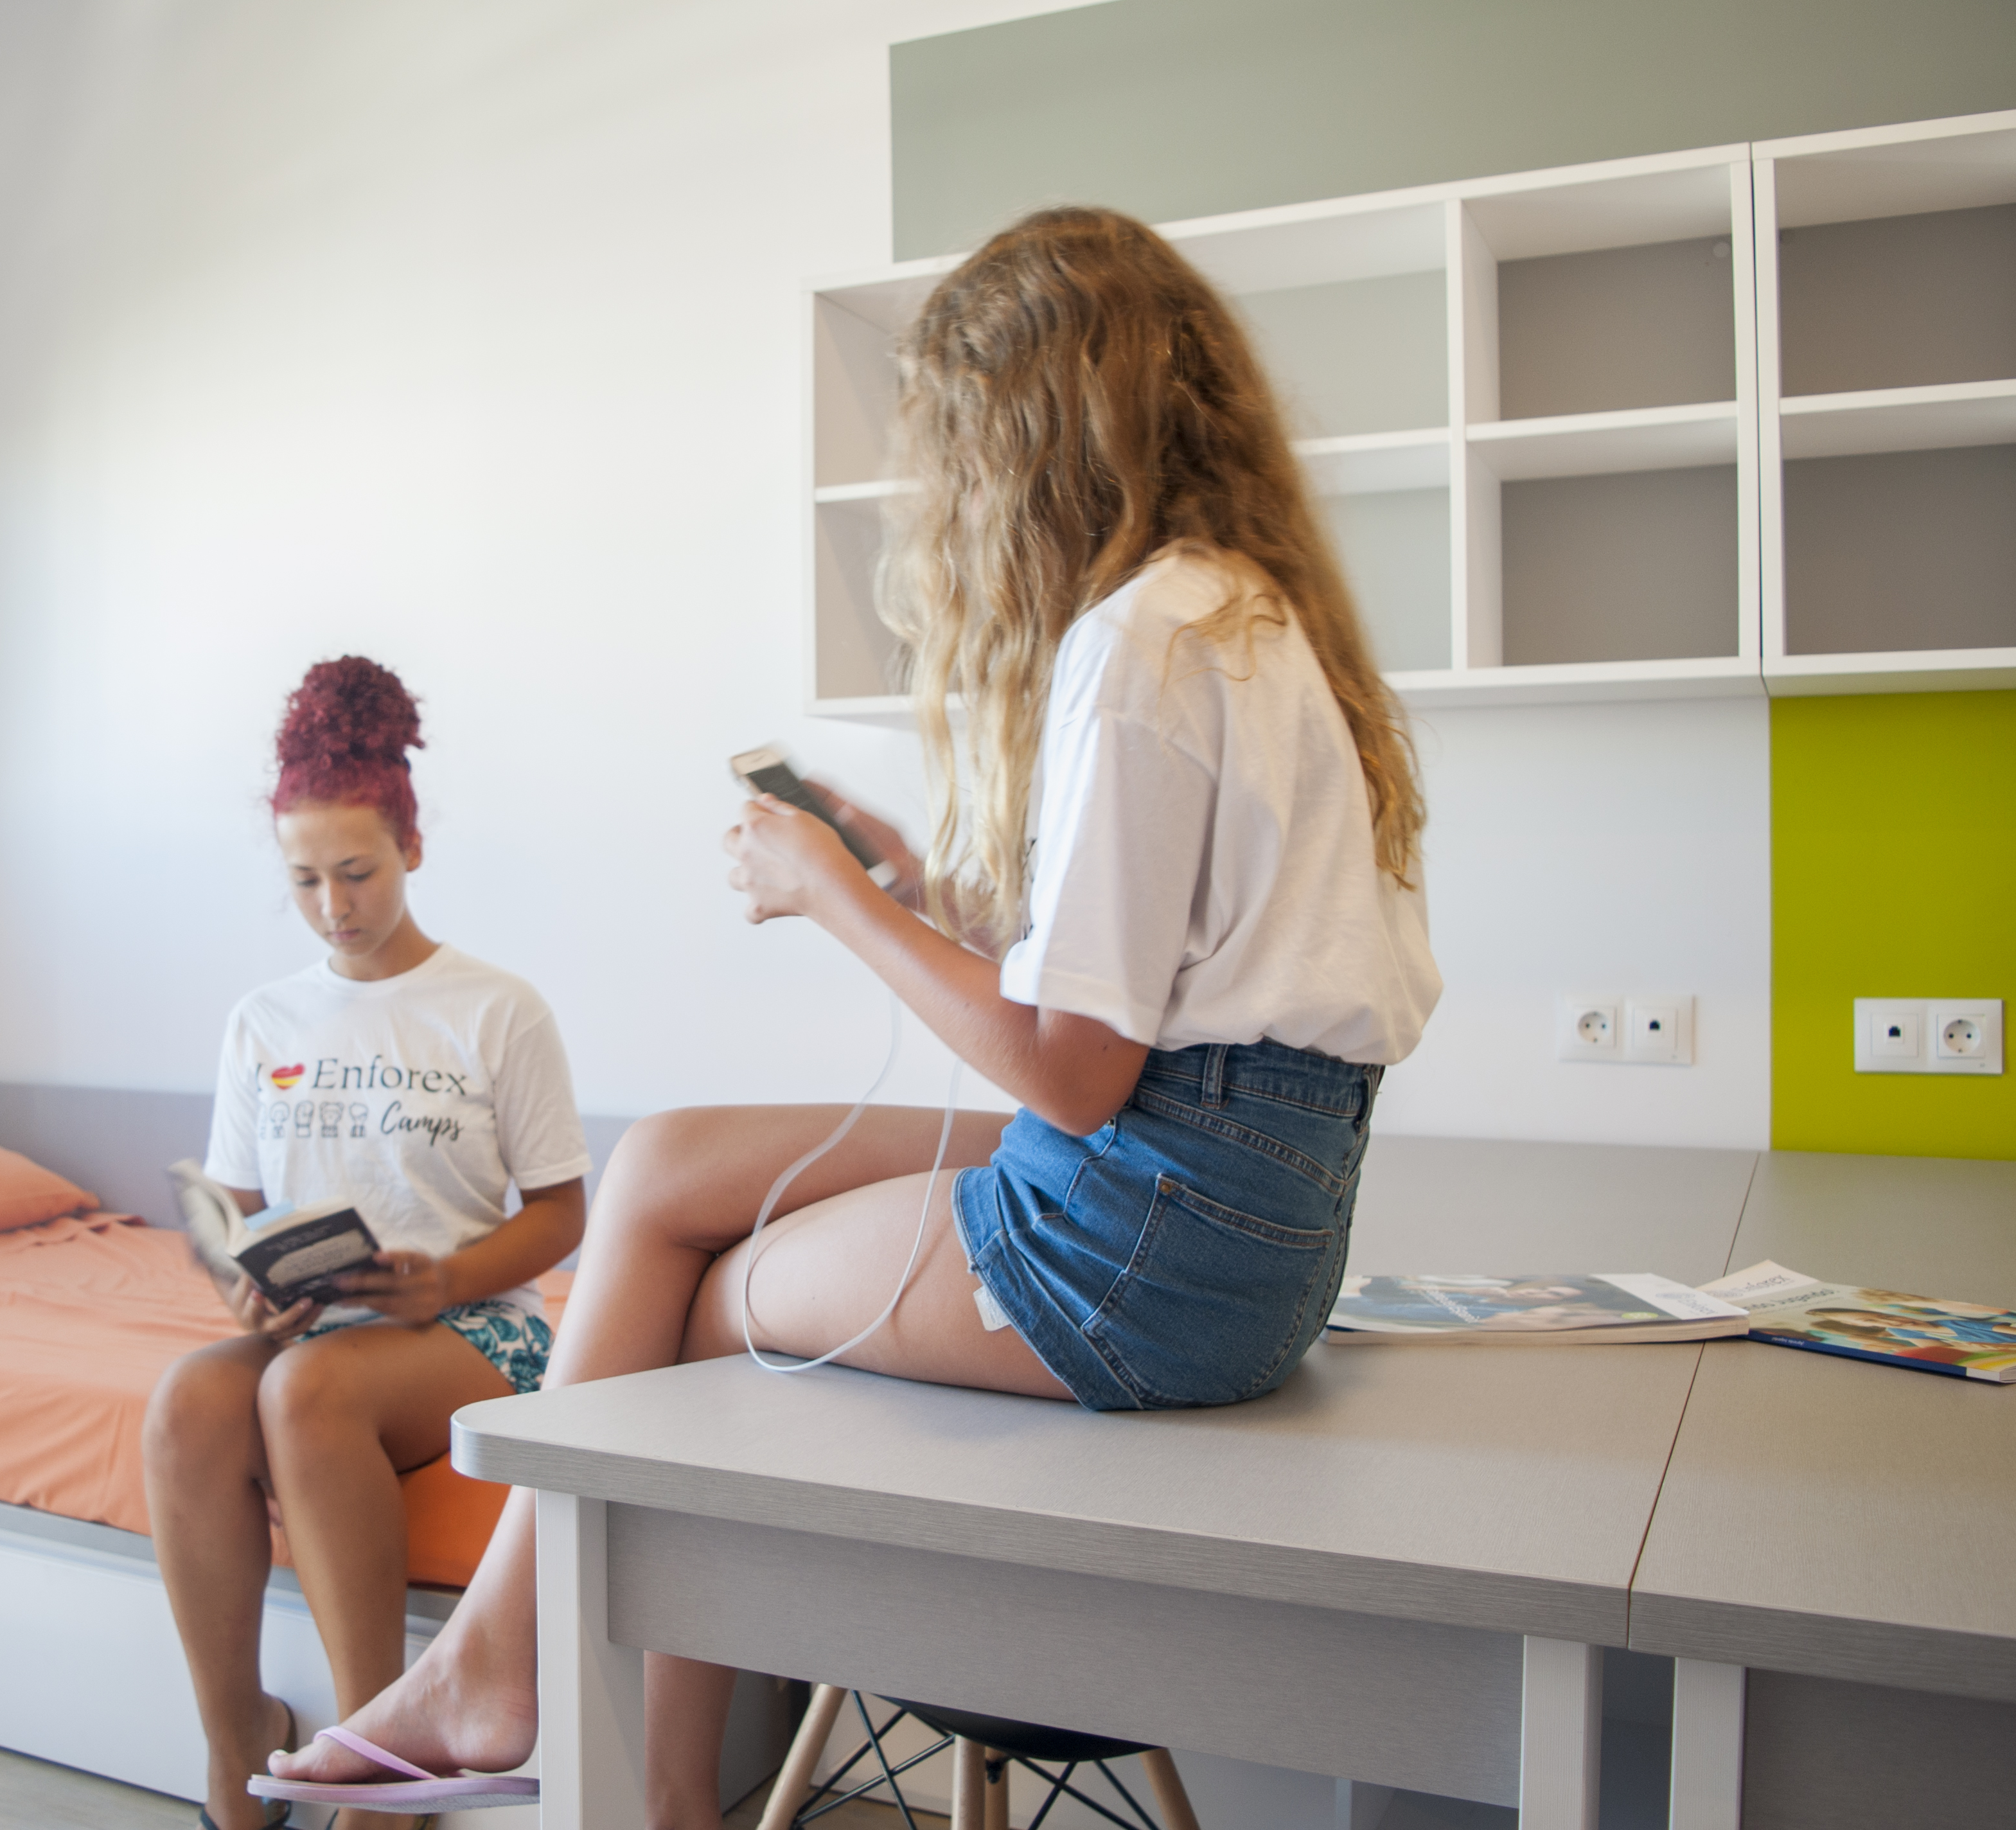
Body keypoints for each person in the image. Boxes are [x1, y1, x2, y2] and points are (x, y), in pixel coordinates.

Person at [256, 205, 1444, 1830]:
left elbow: (1075, 1079)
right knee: (665, 1168)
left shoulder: (1134, 645)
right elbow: (1169, 991)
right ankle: (533, 1700)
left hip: (1144, 1230)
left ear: (1029, 436)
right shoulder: (1239, 617)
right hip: (1252, 1212)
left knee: (683, 1303)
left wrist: (835, 896)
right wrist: (927, 891)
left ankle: (534, 1707)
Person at [143, 655, 592, 1830]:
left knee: (306, 1396)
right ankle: (234, 1732)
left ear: (411, 848)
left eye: (358, 871)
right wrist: (243, 1284)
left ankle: (377, 1766)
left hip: (473, 1325)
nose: (334, 904)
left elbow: (562, 1216)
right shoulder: (265, 1020)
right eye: (305, 880)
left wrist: (442, 1278)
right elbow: (230, 1214)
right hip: (326, 1321)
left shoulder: (497, 1010)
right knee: (190, 1401)